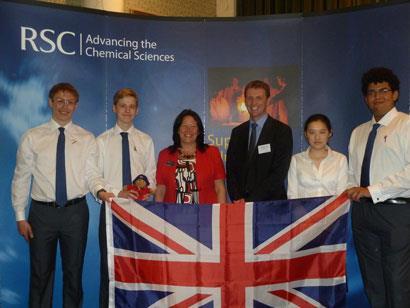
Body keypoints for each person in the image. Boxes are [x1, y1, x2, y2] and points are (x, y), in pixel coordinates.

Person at [11, 82, 106, 307]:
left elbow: (92, 174)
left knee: (74, 274)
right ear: (50, 102)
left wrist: (101, 191)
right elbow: (21, 176)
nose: (65, 107)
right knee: (40, 275)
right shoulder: (32, 137)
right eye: (60, 101)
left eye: (70, 102)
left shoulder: (87, 138)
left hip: (76, 213)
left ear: (76, 105)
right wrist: (19, 215)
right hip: (42, 215)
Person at [346, 67, 410, 307]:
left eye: (384, 90)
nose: (377, 96)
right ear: (365, 98)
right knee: (372, 282)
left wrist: (373, 190)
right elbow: (351, 173)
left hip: (397, 213)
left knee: (398, 281)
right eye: (371, 92)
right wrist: (352, 188)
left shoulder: (406, 125)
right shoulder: (359, 132)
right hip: (363, 213)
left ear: (395, 94)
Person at [94, 88, 156, 307]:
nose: (127, 110)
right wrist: (116, 192)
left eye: (131, 106)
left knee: (140, 267)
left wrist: (148, 191)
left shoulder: (146, 140)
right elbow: (95, 177)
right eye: (123, 106)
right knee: (110, 267)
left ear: (137, 110)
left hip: (139, 211)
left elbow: (151, 175)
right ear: (114, 108)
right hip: (112, 211)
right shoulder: (102, 141)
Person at [226, 80, 293, 202]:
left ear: (267, 100)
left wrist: (250, 201)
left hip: (271, 206)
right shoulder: (237, 132)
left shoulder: (282, 131)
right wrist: (238, 198)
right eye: (249, 98)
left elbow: (278, 174)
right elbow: (231, 171)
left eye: (259, 98)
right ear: (245, 100)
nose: (253, 103)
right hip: (241, 206)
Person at [155, 109, 226, 204]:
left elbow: (220, 189)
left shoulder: (212, 153)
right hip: (172, 216)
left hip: (205, 214)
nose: (188, 130)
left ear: (199, 131)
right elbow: (160, 190)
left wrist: (220, 215)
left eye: (193, 126)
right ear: (177, 129)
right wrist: (158, 215)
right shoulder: (164, 155)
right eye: (184, 126)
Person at [287, 114, 347, 199]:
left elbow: (341, 194)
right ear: (306, 134)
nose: (317, 137)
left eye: (322, 132)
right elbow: (292, 195)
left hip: (333, 211)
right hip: (304, 212)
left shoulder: (340, 159)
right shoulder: (296, 160)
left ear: (330, 133)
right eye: (312, 132)